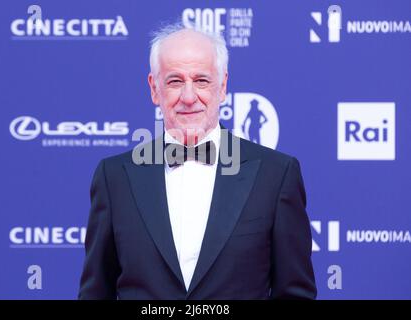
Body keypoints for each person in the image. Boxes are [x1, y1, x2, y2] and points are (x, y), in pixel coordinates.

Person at [78, 23, 317, 300]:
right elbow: (95, 293)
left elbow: (295, 293)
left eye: (201, 80)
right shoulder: (114, 177)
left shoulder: (276, 175)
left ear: (223, 86)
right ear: (154, 89)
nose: (189, 97)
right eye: (175, 81)